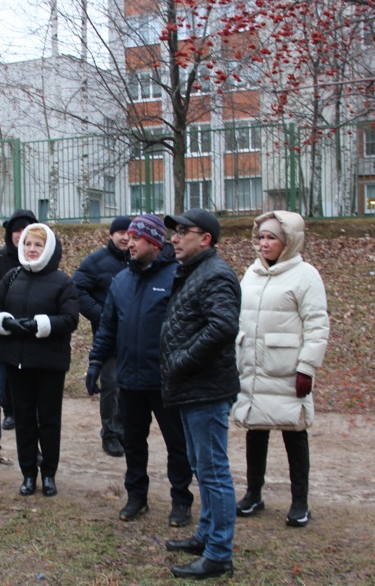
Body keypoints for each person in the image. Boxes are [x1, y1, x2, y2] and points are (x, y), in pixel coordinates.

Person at [86, 215, 195, 526]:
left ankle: (181, 500)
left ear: (155, 242)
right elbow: (107, 327)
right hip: (129, 379)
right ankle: (137, 497)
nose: (129, 243)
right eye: (128, 237)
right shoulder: (121, 281)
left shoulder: (177, 277)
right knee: (133, 441)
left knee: (177, 443)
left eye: (136, 238)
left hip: (166, 380)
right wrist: (95, 362)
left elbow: (187, 327)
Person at [231, 211, 329, 528]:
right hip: (254, 366)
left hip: (287, 370)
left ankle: (300, 502)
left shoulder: (306, 276)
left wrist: (307, 369)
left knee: (294, 432)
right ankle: (254, 494)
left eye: (271, 237)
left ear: (288, 241)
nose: (264, 243)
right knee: (255, 430)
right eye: (261, 237)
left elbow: (317, 326)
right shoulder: (251, 274)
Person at [159, 209, 240, 581]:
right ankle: (207, 536)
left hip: (205, 387)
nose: (174, 238)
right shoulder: (195, 272)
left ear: (205, 238)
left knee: (213, 472)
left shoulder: (216, 274)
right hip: (191, 388)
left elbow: (223, 327)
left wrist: (182, 362)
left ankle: (219, 553)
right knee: (201, 469)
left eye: (182, 232)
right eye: (173, 232)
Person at [0, 223, 78, 497]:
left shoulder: (63, 281)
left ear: (47, 249)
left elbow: (70, 319)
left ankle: (48, 474)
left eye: (37, 245)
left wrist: (40, 324)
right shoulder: (12, 277)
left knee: (49, 421)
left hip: (49, 363)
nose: (31, 249)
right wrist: (4, 321)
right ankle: (28, 473)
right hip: (17, 362)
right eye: (27, 244)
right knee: (24, 420)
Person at [0, 209, 37, 469]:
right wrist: (2, 314)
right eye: (16, 230)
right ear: (9, 233)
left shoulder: (38, 263)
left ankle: (33, 449)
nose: (21, 236)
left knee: (29, 398)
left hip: (28, 341)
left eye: (27, 231)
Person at [74, 215, 130, 458]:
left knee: (130, 388)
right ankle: (109, 433)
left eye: (130, 232)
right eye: (121, 232)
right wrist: (101, 315)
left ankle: (124, 430)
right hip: (107, 339)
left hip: (135, 338)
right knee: (111, 386)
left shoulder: (139, 260)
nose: (126, 237)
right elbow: (76, 289)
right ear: (111, 234)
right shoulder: (96, 261)